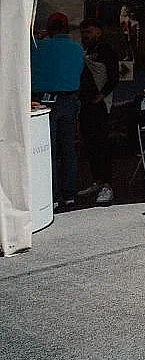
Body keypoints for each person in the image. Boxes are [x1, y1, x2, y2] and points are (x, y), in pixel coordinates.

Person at [31, 12, 85, 211]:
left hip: (44, 100)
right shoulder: (77, 49)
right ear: (67, 28)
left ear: (49, 27)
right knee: (69, 149)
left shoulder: (37, 47)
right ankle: (69, 195)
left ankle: (51, 195)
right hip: (69, 100)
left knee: (48, 151)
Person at [76, 18, 120, 206]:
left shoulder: (106, 50)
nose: (86, 36)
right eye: (84, 32)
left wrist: (102, 95)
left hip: (100, 105)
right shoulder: (84, 50)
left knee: (102, 144)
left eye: (89, 32)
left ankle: (107, 186)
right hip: (85, 104)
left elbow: (114, 76)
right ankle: (97, 181)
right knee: (90, 144)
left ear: (98, 32)